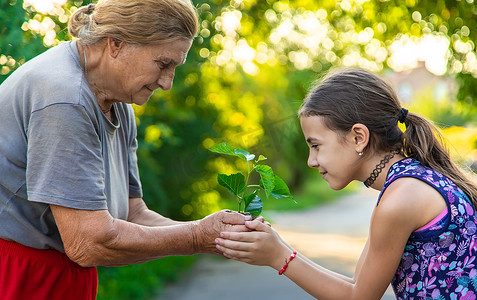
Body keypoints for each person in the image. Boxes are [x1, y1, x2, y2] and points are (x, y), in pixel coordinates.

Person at [0, 1, 252, 299]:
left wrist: (216, 235)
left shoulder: (117, 102)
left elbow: (133, 214)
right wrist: (197, 237)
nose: (168, 83)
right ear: (116, 43)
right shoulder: (65, 99)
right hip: (18, 276)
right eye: (163, 64)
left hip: (60, 275)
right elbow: (88, 242)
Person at [215, 68, 477, 299]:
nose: (311, 161)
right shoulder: (407, 183)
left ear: (358, 137)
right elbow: (355, 286)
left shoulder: (399, 199)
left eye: (316, 146)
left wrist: (278, 256)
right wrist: (279, 248)